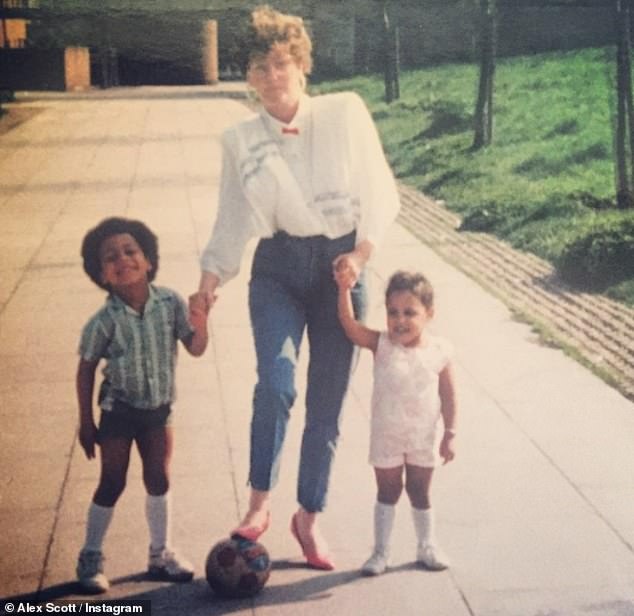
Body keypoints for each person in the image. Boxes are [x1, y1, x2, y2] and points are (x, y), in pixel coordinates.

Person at [192, 5, 400, 570]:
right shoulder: (240, 140)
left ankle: (308, 517)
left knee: (327, 406)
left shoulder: (344, 113)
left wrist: (360, 254)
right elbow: (232, 218)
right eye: (258, 67)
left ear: (302, 66)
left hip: (342, 268)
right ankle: (259, 502)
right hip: (278, 268)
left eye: (280, 63)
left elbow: (381, 189)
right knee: (277, 383)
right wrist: (208, 285)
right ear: (249, 76)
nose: (269, 77)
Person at [75, 217, 209, 593]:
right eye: (110, 257)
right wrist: (86, 421)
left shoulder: (170, 303)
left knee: (159, 478)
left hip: (158, 411)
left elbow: (195, 347)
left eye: (131, 251)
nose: (123, 259)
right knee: (112, 481)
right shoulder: (103, 321)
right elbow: (85, 368)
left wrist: (202, 319)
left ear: (148, 260)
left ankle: (160, 553)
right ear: (101, 274)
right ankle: (90, 557)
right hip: (118, 411)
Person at [334, 269, 457, 575]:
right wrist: (343, 289)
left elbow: (449, 395)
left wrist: (450, 433)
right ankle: (381, 551)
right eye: (392, 312)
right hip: (387, 433)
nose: (400, 320)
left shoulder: (439, 351)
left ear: (429, 313)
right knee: (387, 491)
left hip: (423, 435)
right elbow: (350, 327)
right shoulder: (382, 344)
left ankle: (427, 544)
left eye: (410, 313)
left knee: (419, 491)